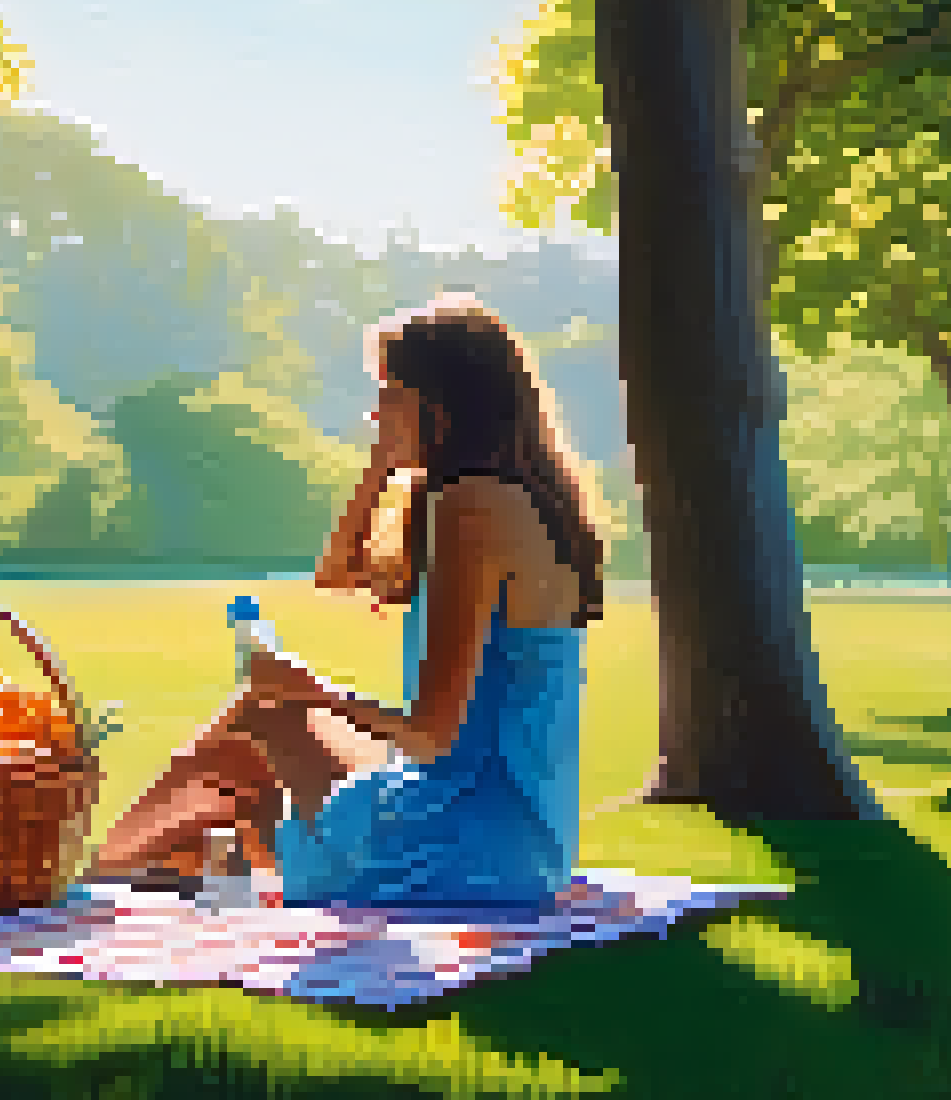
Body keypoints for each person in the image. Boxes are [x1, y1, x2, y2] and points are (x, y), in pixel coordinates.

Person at [87, 293, 605, 912]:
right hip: (520, 839)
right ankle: (175, 864)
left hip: (468, 844)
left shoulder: (472, 511)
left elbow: (432, 734)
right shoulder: (510, 501)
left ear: (438, 407)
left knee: (265, 713)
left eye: (388, 394)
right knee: (246, 749)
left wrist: (312, 689)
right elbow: (336, 573)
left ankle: (106, 877)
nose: (374, 413)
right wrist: (383, 464)